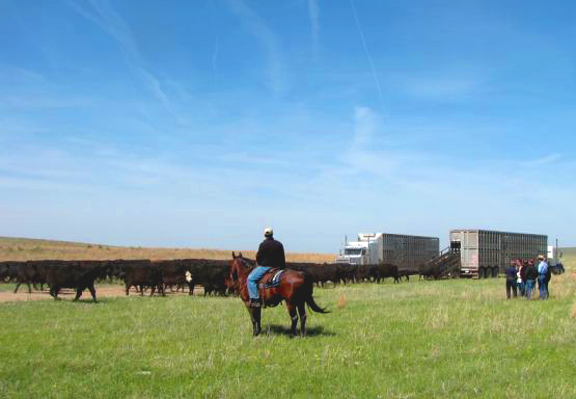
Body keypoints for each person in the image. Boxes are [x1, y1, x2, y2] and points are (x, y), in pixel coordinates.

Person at [247, 227, 286, 308]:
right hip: (278, 267)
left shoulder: (262, 244)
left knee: (250, 279)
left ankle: (255, 299)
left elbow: (258, 257)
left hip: (265, 267)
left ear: (264, 235)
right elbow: (282, 257)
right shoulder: (279, 244)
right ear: (272, 234)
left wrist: (260, 264)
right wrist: (282, 268)